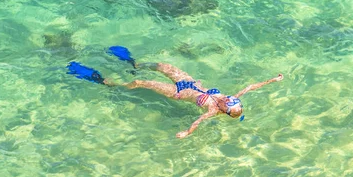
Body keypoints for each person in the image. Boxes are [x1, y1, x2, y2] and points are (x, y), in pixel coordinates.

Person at [106, 62, 283, 139]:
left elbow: (198, 121)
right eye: (232, 99)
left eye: (229, 102)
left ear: (225, 109)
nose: (229, 98)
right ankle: (136, 65)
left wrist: (186, 132)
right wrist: (273, 80)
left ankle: (117, 85)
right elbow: (250, 87)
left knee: (140, 83)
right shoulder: (230, 99)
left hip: (177, 91)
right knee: (161, 66)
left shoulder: (213, 110)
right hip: (189, 81)